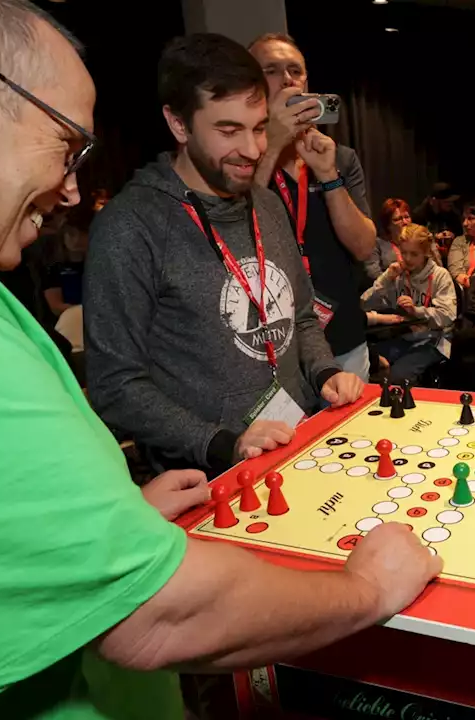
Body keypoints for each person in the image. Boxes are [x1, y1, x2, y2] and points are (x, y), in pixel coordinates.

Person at [0, 5, 439, 719]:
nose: (70, 189)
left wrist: (111, 512)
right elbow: (151, 615)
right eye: (66, 146)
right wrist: (367, 590)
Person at [84, 34, 365, 477]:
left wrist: (324, 373)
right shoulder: (130, 227)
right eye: (229, 131)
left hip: (301, 447)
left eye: (258, 127)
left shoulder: (266, 205)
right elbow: (116, 385)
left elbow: (303, 318)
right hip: (213, 475)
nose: (253, 150)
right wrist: (220, 442)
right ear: (179, 124)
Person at [249, 32, 377, 382]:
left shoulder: (338, 157)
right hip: (270, 346)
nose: (288, 79)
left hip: (343, 340)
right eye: (271, 70)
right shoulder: (240, 159)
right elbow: (241, 227)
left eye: (295, 70)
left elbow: (364, 246)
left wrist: (328, 175)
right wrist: (271, 146)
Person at [362, 225, 458, 384]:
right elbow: (364, 304)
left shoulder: (440, 275)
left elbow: (447, 316)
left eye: (414, 254)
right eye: (404, 252)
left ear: (426, 252)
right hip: (405, 337)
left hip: (434, 341)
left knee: (397, 376)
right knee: (367, 360)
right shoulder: (397, 274)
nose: (407, 259)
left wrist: (416, 311)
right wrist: (386, 279)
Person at [411, 181, 463, 257]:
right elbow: (415, 240)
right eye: (446, 201)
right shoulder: (419, 216)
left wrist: (453, 236)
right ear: (433, 201)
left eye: (452, 201)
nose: (450, 204)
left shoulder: (453, 215)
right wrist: (435, 238)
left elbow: (460, 237)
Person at [365, 197, 410, 280]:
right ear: (388, 225)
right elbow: (373, 273)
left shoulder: (419, 239)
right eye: (398, 219)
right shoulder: (377, 244)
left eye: (407, 217)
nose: (405, 222)